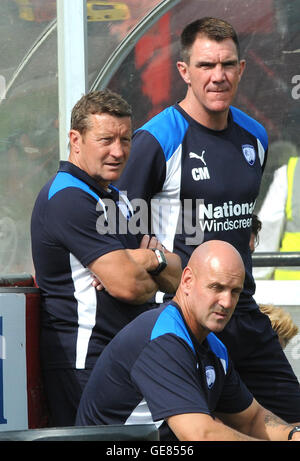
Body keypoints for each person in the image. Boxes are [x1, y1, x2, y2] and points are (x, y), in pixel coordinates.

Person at [116, 17, 300, 422]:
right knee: (203, 432)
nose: (218, 76)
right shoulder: (158, 138)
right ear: (184, 70)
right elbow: (117, 220)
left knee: (289, 421)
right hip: (185, 321)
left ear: (241, 69)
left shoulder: (255, 137)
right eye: (206, 65)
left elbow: (235, 208)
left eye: (227, 65)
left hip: (244, 313)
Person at [30, 90, 182, 427]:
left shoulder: (117, 198)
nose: (118, 151)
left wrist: (145, 259)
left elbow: (177, 276)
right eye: (106, 139)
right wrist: (150, 261)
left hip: (126, 356)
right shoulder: (68, 198)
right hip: (85, 361)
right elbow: (129, 286)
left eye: (125, 139)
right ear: (76, 139)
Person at [76, 241, 300, 441]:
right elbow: (199, 435)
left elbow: (251, 419)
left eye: (235, 291)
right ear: (187, 280)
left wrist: (293, 436)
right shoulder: (163, 340)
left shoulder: (213, 347)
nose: (227, 301)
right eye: (217, 287)